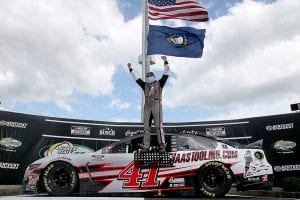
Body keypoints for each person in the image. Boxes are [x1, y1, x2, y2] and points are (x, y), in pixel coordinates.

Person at [127, 56, 170, 153]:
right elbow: (136, 78)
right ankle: (145, 147)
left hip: (156, 103)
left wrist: (166, 61)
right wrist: (130, 69)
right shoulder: (145, 85)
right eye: (147, 77)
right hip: (147, 106)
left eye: (150, 76)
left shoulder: (160, 83)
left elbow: (166, 73)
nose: (148, 77)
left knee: (158, 126)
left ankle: (162, 146)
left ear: (154, 77)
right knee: (146, 127)